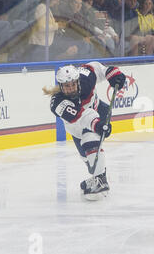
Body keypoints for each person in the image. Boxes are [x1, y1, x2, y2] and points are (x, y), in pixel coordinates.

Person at [42, 62, 126, 200]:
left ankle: (100, 181)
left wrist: (113, 74)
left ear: (77, 81)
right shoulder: (57, 102)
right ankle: (98, 175)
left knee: (90, 141)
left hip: (100, 112)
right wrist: (97, 125)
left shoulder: (85, 78)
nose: (71, 88)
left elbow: (98, 68)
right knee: (91, 164)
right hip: (78, 128)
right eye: (67, 86)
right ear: (61, 86)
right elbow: (82, 116)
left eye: (73, 84)